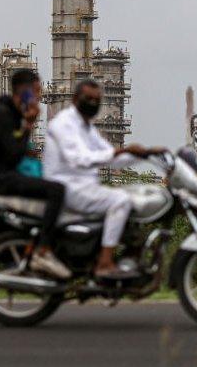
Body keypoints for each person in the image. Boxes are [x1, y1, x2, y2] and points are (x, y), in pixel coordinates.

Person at [43, 79, 164, 279]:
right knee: (120, 201)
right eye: (88, 98)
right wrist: (123, 150)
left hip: (84, 186)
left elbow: (110, 157)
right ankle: (105, 263)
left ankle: (126, 256)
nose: (92, 103)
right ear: (75, 99)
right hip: (67, 187)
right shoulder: (63, 123)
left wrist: (146, 154)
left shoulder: (87, 128)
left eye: (97, 99)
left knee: (132, 197)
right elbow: (79, 159)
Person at [0, 69, 71, 280]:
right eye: (37, 91)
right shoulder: (2, 114)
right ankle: (43, 252)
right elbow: (13, 154)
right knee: (57, 191)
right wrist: (29, 124)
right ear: (24, 91)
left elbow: (19, 148)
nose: (39, 96)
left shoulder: (10, 112)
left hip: (5, 172)